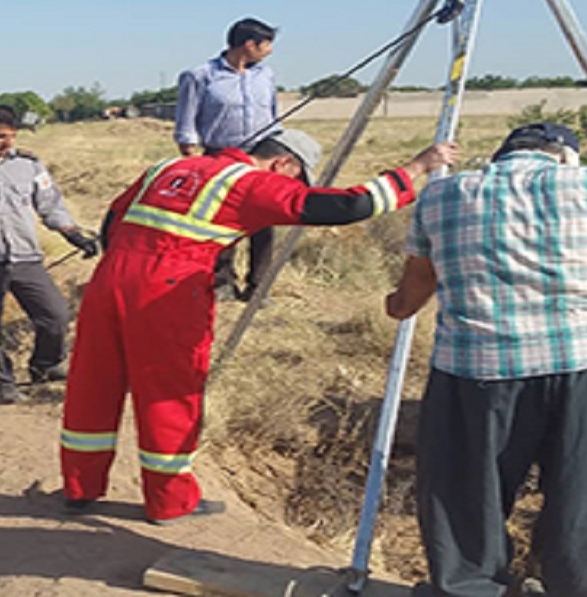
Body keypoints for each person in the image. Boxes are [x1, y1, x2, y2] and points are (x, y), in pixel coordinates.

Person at [60, 128, 457, 524]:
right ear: (283, 163)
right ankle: (169, 501)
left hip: (110, 277)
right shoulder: (248, 183)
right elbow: (347, 206)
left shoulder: (169, 166)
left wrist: (128, 264)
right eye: (293, 177)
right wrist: (418, 166)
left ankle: (80, 487)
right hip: (168, 290)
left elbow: (114, 218)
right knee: (170, 393)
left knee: (94, 382)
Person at [385, 122, 587, 597]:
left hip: (476, 367)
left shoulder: (443, 195)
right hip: (586, 362)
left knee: (466, 496)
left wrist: (397, 307)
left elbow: (417, 283)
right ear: (565, 158)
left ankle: (468, 588)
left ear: (502, 155)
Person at [0, 104, 99, 404]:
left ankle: (45, 366)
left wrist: (73, 234)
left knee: (55, 316)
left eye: (11, 136)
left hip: (25, 257)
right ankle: (1, 380)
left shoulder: (29, 165)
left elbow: (50, 205)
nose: (7, 143)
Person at [174, 17, 281, 302]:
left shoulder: (266, 76)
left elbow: (274, 116)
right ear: (249, 44)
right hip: (220, 156)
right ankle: (222, 282)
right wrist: (192, 156)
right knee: (223, 222)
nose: (269, 50)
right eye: (266, 44)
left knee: (265, 223)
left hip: (260, 156)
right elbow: (186, 124)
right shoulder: (200, 76)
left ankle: (259, 287)